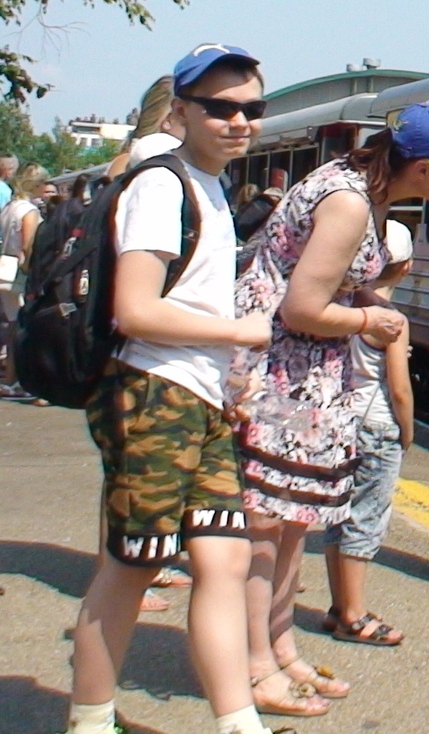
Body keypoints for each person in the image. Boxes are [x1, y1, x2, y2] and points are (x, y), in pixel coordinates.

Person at [232, 102, 429, 717]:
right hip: (281, 374)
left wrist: (363, 298)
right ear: (423, 169)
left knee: (292, 521)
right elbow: (300, 307)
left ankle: (280, 646)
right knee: (268, 525)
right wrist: (371, 318)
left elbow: (322, 279)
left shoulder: (365, 192)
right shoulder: (350, 203)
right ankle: (253, 665)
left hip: (305, 375)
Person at [67, 43, 274, 734]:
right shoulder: (163, 185)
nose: (239, 120)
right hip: (152, 392)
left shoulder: (210, 186)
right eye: (220, 107)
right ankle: (90, 721)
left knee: (226, 556)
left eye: (251, 108)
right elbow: (137, 308)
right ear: (181, 110)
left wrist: (227, 368)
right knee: (133, 566)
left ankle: (237, 721)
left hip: (201, 398)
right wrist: (237, 333)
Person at [320, 220, 416, 646]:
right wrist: (407, 431)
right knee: (366, 520)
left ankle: (340, 605)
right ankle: (355, 616)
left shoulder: (341, 309)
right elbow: (398, 388)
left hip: (342, 422)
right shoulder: (391, 320)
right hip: (378, 426)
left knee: (337, 517)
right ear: (408, 267)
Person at [0, 165, 49, 401]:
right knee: (23, 327)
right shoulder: (28, 211)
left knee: (12, 325)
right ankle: (17, 379)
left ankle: (10, 379)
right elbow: (28, 244)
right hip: (19, 273)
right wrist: (33, 268)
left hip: (4, 268)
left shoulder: (9, 207)